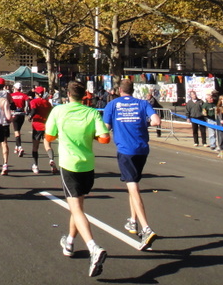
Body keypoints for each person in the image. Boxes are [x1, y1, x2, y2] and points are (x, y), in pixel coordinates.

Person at [46, 81, 110, 278]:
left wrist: (64, 135)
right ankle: (70, 242)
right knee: (78, 206)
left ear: (67, 94)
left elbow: (48, 136)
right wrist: (90, 136)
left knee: (75, 208)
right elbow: (105, 138)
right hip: (88, 166)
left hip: (69, 165)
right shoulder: (91, 113)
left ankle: (93, 247)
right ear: (84, 95)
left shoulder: (58, 111)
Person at [103, 78, 160, 251]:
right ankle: (133, 221)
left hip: (125, 150)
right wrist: (144, 122)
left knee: (133, 186)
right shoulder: (143, 104)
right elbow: (156, 121)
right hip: (142, 148)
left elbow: (105, 127)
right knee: (132, 182)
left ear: (120, 90)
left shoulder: (112, 105)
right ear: (133, 90)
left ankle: (146, 227)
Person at [29, 88, 56, 174]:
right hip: (46, 126)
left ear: (36, 93)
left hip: (37, 126)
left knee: (35, 147)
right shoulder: (47, 102)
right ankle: (51, 159)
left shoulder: (34, 101)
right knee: (47, 146)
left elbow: (34, 110)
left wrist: (30, 117)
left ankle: (36, 165)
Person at [10, 82, 30, 158]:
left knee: (16, 131)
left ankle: (19, 146)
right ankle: (16, 146)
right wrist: (26, 112)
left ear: (15, 88)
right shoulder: (24, 96)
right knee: (18, 130)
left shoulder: (11, 96)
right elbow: (27, 106)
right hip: (22, 114)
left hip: (14, 114)